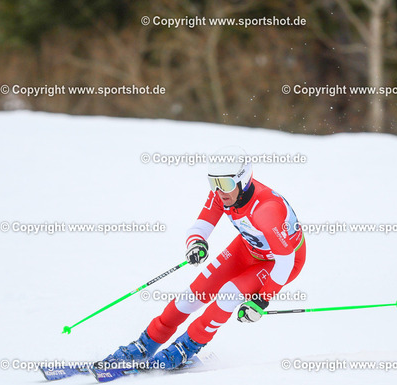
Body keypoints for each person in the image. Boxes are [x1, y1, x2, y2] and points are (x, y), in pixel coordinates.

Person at [102, 146, 306, 370]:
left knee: (229, 294)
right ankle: (146, 343)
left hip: (279, 262)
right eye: (213, 183)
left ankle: (186, 348)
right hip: (249, 247)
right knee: (192, 295)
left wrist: (261, 300)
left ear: (243, 180)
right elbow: (200, 226)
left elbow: (285, 261)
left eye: (225, 184)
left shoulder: (266, 210)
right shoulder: (224, 194)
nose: (219, 191)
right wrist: (196, 243)